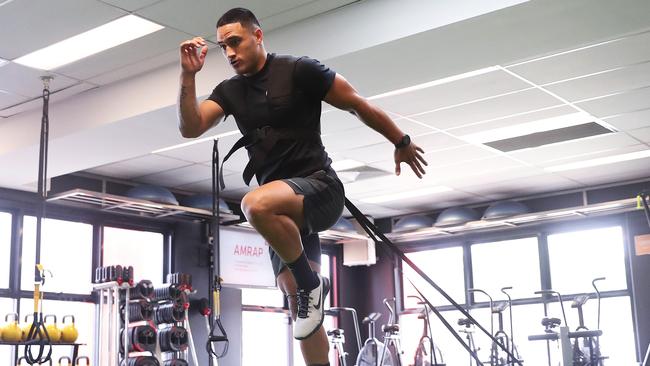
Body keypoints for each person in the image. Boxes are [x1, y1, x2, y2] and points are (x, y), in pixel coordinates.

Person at [177, 8, 427, 365]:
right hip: (283, 212)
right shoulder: (230, 91)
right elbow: (191, 127)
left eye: (236, 42)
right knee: (297, 302)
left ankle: (311, 283)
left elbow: (356, 103)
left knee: (255, 206)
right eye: (223, 47)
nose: (229, 52)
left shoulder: (298, 70)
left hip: (319, 190)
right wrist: (188, 75)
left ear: (258, 36)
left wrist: (400, 140)